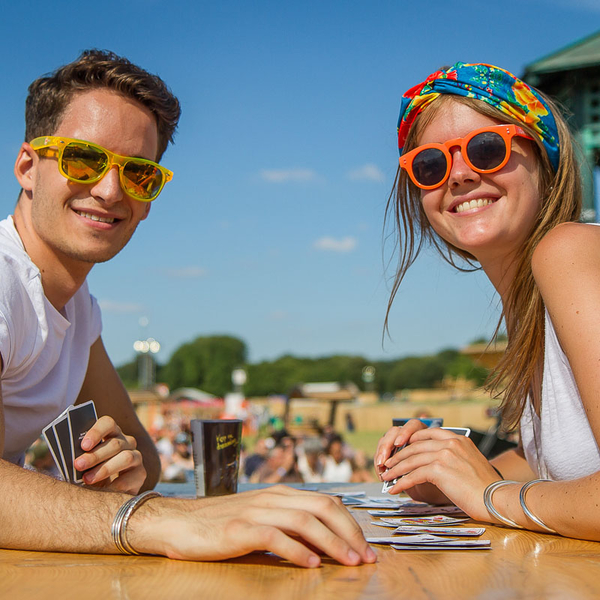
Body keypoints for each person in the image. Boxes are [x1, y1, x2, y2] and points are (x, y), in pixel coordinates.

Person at [0, 50, 376, 569]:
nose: (111, 190)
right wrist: (159, 520)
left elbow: (147, 461)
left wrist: (123, 469)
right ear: (27, 167)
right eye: (82, 159)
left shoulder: (77, 308)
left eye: (138, 174)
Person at [375, 62, 600, 541]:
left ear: (543, 156)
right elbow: (561, 461)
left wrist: (488, 497)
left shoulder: (569, 253)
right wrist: (452, 472)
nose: (457, 175)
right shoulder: (533, 301)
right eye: (431, 164)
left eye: (486, 149)